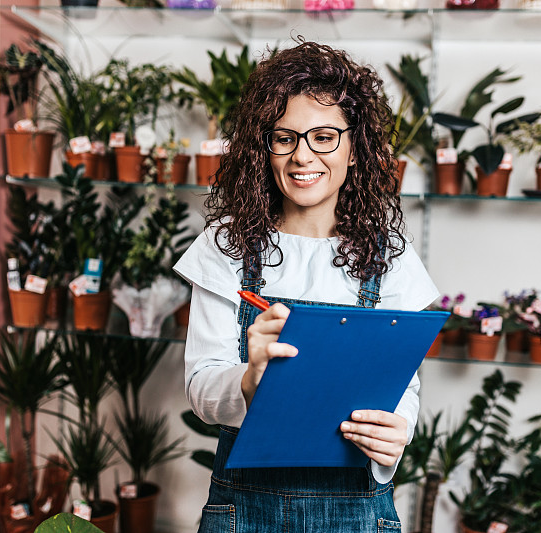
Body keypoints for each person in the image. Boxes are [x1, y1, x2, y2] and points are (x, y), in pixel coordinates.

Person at [174, 40, 438, 533]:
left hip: (357, 511)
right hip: (244, 512)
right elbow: (201, 387)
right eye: (285, 137)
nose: (302, 156)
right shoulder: (226, 247)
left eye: (323, 137)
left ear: (355, 149)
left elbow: (404, 387)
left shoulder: (391, 260)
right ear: (264, 147)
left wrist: (394, 433)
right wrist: (249, 381)